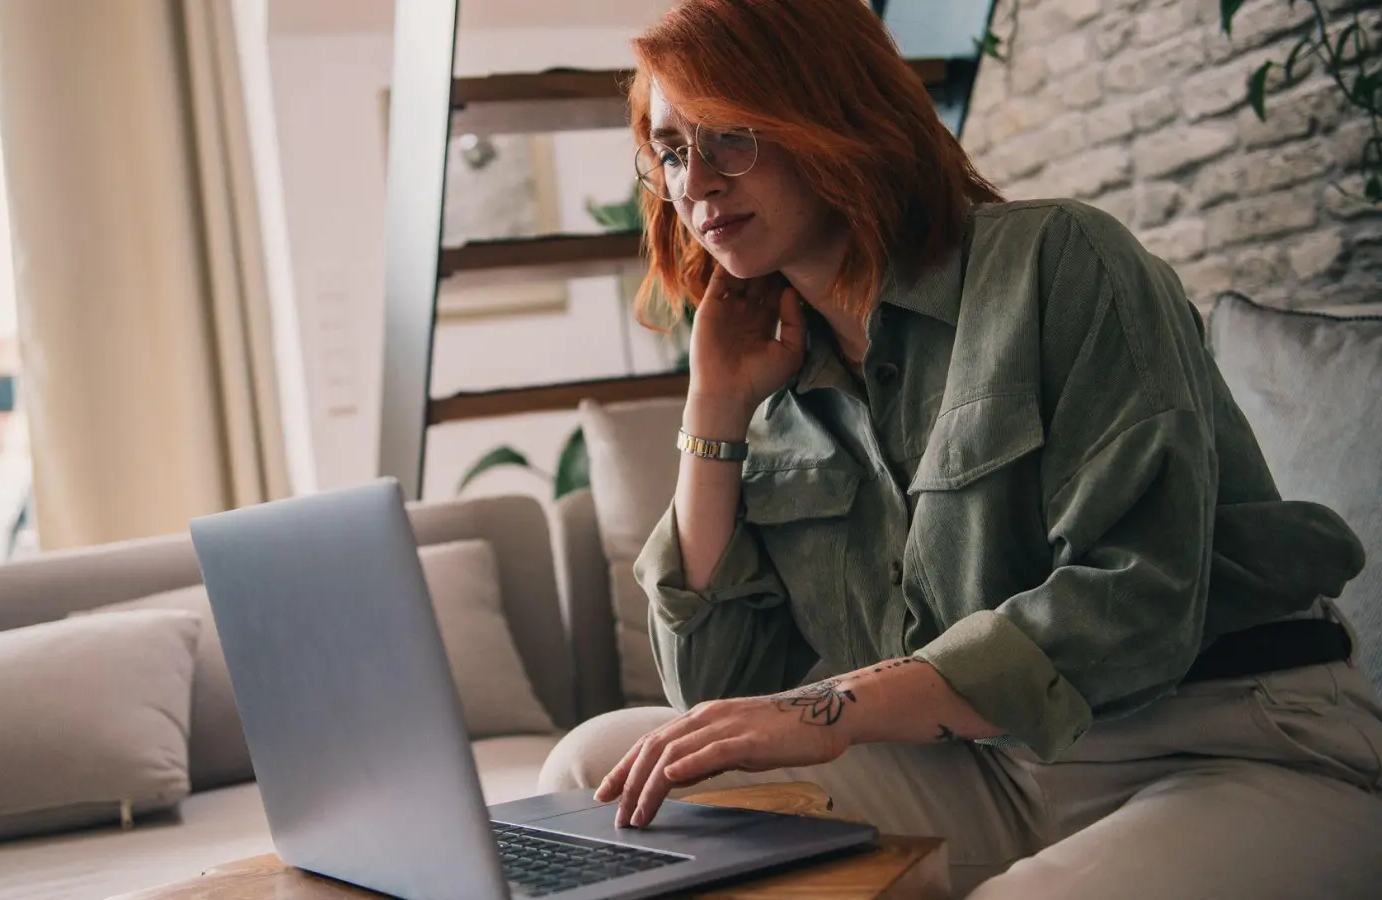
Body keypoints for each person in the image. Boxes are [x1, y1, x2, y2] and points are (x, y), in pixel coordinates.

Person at [534, 1, 1382, 896]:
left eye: (729, 136)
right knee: (595, 775)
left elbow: (1141, 605)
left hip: (1232, 742)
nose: (695, 182)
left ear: (833, 114)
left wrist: (834, 711)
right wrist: (715, 413)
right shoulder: (772, 389)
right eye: (671, 149)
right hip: (991, 770)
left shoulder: (1060, 261)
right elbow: (713, 689)